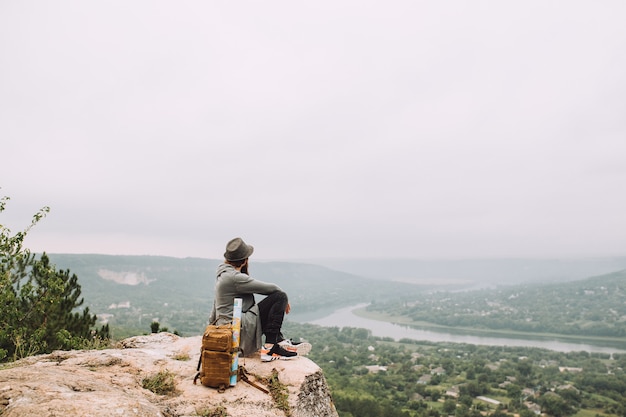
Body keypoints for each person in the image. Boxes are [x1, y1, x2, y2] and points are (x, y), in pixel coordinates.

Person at [208, 237, 310, 360]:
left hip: (230, 327)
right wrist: (285, 299)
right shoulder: (234, 278)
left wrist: (212, 329)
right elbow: (270, 288)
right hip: (237, 329)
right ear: (245, 260)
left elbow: (216, 307)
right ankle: (270, 348)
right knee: (280, 296)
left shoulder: (223, 274)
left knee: (267, 304)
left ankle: (279, 340)